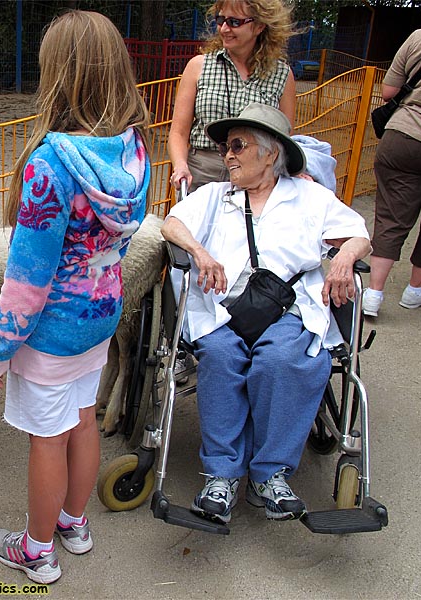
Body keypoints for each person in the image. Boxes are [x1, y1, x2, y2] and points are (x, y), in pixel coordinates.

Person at [0, 11, 151, 584]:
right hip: (100, 316)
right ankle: (74, 523)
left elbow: (28, 277)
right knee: (82, 417)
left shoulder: (49, 168)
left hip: (50, 330)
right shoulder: (132, 154)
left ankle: (37, 548)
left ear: (58, 75)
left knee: (45, 439)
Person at [161, 103, 370, 524]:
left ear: (272, 153)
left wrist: (345, 258)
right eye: (224, 147)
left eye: (237, 145)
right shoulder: (216, 196)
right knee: (221, 358)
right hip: (219, 307)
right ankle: (221, 475)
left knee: (282, 361)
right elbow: (172, 224)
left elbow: (359, 233)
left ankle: (270, 473)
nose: (227, 155)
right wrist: (200, 253)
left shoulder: (308, 197)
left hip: (287, 310)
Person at [168, 0, 296, 193]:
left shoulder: (282, 75)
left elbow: (285, 138)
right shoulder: (199, 66)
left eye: (235, 22)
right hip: (203, 172)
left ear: (260, 25)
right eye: (221, 20)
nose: (225, 29)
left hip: (255, 177)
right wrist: (180, 165)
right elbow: (178, 132)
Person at [362, 15, 421, 317]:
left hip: (403, 135)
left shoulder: (419, 37)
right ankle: (414, 291)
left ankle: (373, 294)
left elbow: (389, 92)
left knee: (392, 216)